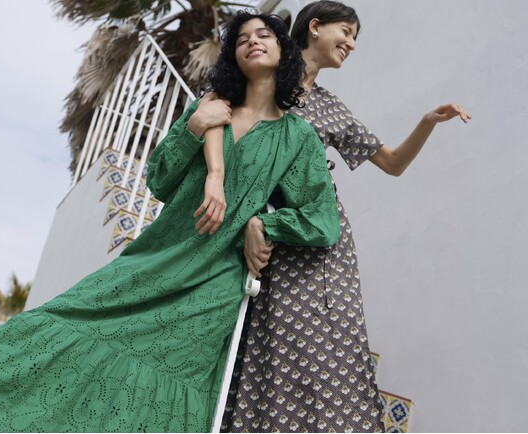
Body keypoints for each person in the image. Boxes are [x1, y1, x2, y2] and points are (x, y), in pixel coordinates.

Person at [0, 12, 342, 433]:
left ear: (283, 49)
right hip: (158, 255)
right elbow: (160, 180)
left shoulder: (296, 137)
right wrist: (193, 127)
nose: (252, 41)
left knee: (166, 389)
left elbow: (321, 221)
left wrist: (263, 225)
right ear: (232, 57)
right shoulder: (207, 109)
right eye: (241, 39)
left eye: (264, 35)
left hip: (212, 285)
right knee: (57, 321)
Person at [193, 2, 471, 432]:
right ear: (315, 27)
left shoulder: (329, 106)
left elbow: (393, 163)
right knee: (258, 347)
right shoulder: (259, 77)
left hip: (314, 241)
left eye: (355, 37)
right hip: (245, 233)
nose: (352, 44)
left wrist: (427, 122)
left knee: (320, 348)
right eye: (347, 31)